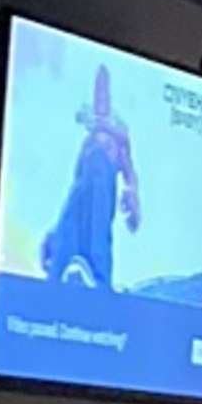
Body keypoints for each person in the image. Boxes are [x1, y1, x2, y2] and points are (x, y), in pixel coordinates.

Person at [43, 60, 140, 292]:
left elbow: (129, 169)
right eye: (98, 90)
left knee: (98, 239)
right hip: (82, 186)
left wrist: (133, 197)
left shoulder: (116, 133)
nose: (100, 96)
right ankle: (55, 279)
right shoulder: (89, 137)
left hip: (102, 183)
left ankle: (101, 287)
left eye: (104, 90)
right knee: (65, 235)